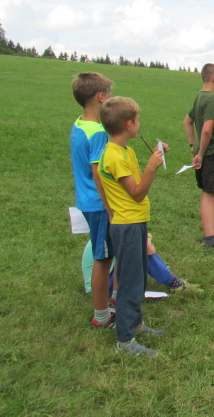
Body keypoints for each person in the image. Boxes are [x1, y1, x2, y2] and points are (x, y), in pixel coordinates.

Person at [99, 96, 168, 356]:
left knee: (138, 278)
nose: (140, 124)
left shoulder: (126, 151)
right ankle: (125, 340)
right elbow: (138, 193)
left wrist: (153, 161)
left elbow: (138, 182)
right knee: (128, 282)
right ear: (129, 124)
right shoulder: (113, 156)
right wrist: (151, 168)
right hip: (126, 226)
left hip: (137, 222)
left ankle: (135, 322)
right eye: (138, 120)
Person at [70, 72, 117, 330]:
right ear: (101, 97)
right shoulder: (98, 132)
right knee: (103, 258)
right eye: (109, 95)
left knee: (110, 252)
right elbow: (98, 174)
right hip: (99, 205)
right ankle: (102, 316)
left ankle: (114, 301)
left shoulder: (79, 124)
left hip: (86, 200)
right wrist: (110, 209)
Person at [183, 64, 214, 249]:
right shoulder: (212, 98)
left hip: (205, 153)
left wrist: (193, 145)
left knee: (207, 193)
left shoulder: (199, 96)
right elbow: (208, 129)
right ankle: (210, 239)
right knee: (211, 195)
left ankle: (209, 235)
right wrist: (200, 154)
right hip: (213, 154)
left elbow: (187, 121)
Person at [82, 234, 195, 294]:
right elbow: (148, 250)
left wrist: (146, 238)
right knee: (140, 251)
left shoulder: (107, 232)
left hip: (103, 284)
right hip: (102, 289)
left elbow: (145, 236)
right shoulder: (115, 235)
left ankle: (172, 280)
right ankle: (174, 282)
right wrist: (145, 240)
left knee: (139, 247)